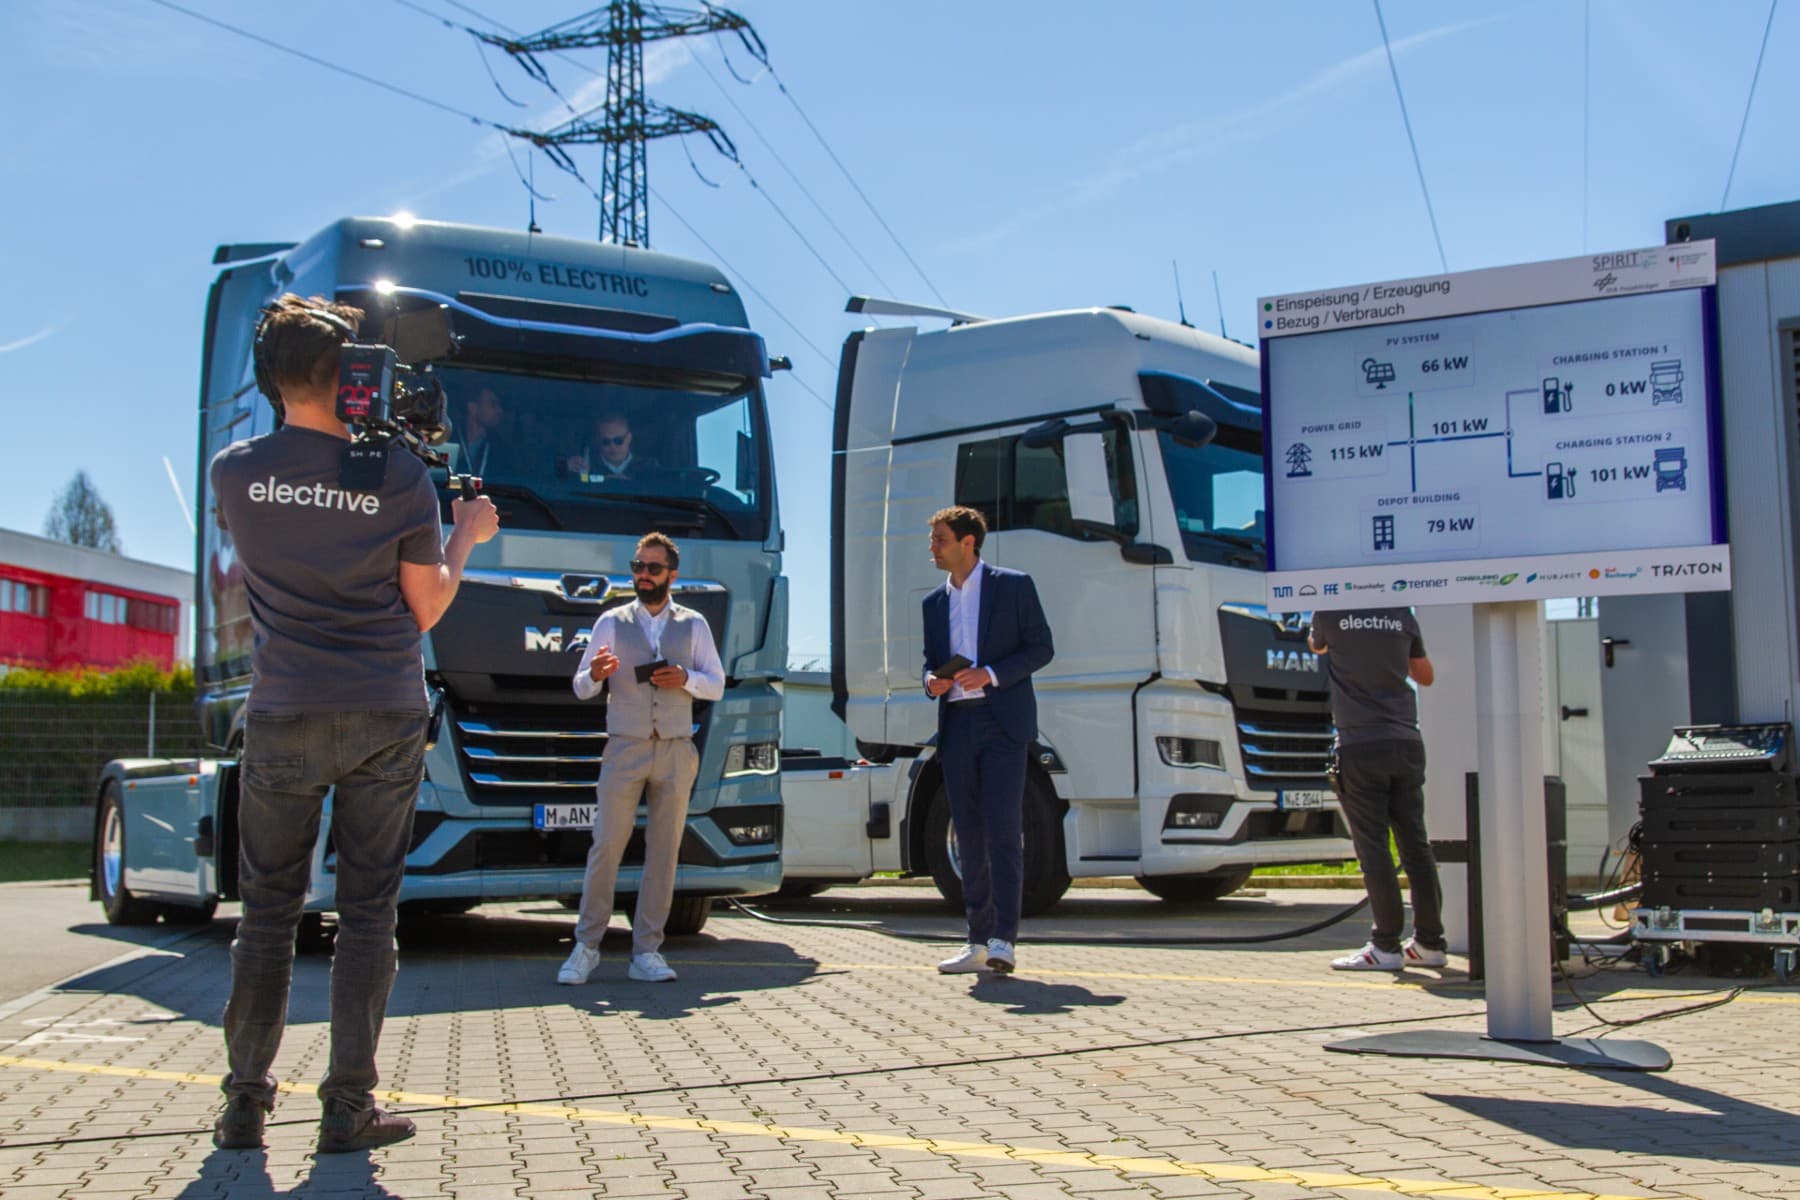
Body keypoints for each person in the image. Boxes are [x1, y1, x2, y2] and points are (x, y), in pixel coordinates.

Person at [209, 294, 499, 1151]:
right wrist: (465, 535)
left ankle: (243, 1107)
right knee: (369, 914)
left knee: (266, 915)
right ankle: (347, 1109)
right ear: (350, 377)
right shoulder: (400, 479)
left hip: (284, 710)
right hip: (380, 708)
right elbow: (425, 610)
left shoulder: (233, 472)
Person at [559, 532, 724, 985]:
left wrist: (685, 677)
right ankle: (586, 946)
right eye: (638, 566)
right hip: (625, 746)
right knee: (607, 846)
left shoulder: (693, 624)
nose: (643, 575)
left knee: (664, 852)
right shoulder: (612, 621)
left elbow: (716, 682)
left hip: (674, 748)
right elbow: (580, 686)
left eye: (653, 568)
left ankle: (647, 951)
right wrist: (594, 673)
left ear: (672, 574)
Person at [922, 506, 1054, 975]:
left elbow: (1042, 646)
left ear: (967, 543)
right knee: (969, 836)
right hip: (957, 726)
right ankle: (976, 940)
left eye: (940, 539)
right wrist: (931, 681)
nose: (932, 547)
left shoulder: (1014, 585)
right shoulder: (933, 603)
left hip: (1003, 724)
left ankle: (1003, 942)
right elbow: (930, 660)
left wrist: (992, 674)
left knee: (1003, 832)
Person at [1307, 607, 1446, 971]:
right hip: (1405, 742)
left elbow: (1316, 648)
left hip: (1360, 745)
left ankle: (1385, 947)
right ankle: (1430, 943)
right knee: (1416, 845)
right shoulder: (1402, 614)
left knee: (1374, 849)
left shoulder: (1330, 614)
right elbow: (1424, 675)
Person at [563, 412, 646, 481]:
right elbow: (582, 480)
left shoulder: (648, 466)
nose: (612, 446)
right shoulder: (584, 465)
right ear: (597, 441)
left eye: (618, 441)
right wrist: (564, 467)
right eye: (605, 442)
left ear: (629, 438)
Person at [450, 385, 509, 477]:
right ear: (472, 407)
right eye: (493, 404)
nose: (499, 410)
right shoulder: (449, 441)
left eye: (499, 405)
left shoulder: (500, 449)